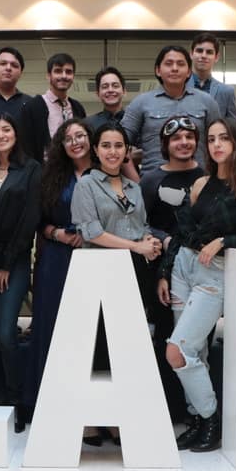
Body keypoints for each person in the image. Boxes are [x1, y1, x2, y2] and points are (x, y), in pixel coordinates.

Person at [156, 117, 236, 452]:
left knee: (177, 350)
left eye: (224, 138)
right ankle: (196, 418)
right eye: (211, 139)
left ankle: (211, 418)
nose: (217, 144)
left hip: (214, 272)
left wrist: (224, 240)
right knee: (196, 351)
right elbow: (183, 233)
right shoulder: (203, 183)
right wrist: (165, 271)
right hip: (183, 268)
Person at [71, 122, 162, 446]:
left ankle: (120, 419)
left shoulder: (134, 187)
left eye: (118, 146)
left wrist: (148, 240)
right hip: (97, 273)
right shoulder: (87, 185)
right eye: (106, 145)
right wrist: (136, 245)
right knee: (96, 347)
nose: (112, 151)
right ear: (95, 150)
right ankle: (94, 422)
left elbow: (140, 225)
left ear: (126, 151)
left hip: (132, 273)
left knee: (125, 346)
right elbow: (91, 232)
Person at [0, 113, 42, 416]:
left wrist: (5, 263)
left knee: (4, 333)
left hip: (13, 261)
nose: (1, 135)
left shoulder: (31, 169)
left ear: (16, 134)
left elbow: (29, 221)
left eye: (7, 129)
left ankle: (18, 400)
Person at [27, 118, 94, 429]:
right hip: (56, 258)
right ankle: (50, 407)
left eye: (81, 135)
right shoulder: (50, 177)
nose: (76, 142)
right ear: (61, 146)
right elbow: (36, 222)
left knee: (90, 334)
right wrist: (57, 234)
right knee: (51, 329)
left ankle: (91, 413)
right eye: (69, 139)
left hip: (97, 257)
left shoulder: (107, 172)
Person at [140, 116, 206, 420]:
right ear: (165, 143)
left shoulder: (208, 177)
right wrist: (163, 239)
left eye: (189, 137)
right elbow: (140, 222)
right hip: (161, 271)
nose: (183, 143)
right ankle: (167, 409)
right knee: (164, 336)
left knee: (195, 341)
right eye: (176, 138)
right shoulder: (151, 180)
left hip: (200, 271)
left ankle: (197, 412)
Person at [121, 45, 221, 175]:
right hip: (153, 185)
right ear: (158, 70)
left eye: (180, 64)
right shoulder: (140, 103)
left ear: (189, 72)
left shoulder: (207, 102)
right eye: (168, 64)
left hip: (199, 183)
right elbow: (119, 145)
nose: (174, 68)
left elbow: (220, 143)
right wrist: (137, 183)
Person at [20, 52, 86, 161]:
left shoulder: (78, 108)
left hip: (73, 170)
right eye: (58, 71)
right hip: (44, 172)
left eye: (68, 72)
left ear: (73, 76)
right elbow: (26, 147)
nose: (64, 76)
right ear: (48, 75)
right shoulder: (33, 106)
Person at [187, 33, 236, 119]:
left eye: (209, 52)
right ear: (191, 54)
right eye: (199, 51)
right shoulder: (179, 87)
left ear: (216, 57)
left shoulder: (226, 92)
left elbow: (234, 126)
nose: (203, 55)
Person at [85, 66, 127, 132]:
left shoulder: (135, 121)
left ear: (124, 91)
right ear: (98, 94)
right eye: (105, 87)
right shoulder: (88, 124)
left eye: (115, 86)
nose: (110, 90)